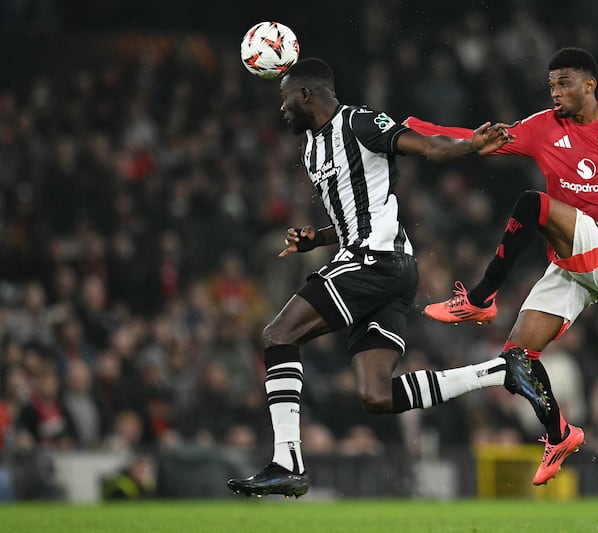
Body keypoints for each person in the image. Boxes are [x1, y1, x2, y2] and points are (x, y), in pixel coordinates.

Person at [226, 57, 551, 498]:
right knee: (375, 396)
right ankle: (500, 371)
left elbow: (428, 147)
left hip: (374, 260)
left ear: (305, 95)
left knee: (278, 335)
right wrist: (315, 238)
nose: (281, 109)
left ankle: (287, 460)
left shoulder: (359, 122)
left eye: (285, 99)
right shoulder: (310, 149)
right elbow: (353, 215)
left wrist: (472, 145)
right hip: (381, 267)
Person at [406, 47, 598, 485]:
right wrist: (412, 129)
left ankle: (479, 298)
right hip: (571, 264)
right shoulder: (542, 127)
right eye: (551, 84)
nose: (555, 92)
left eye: (565, 83)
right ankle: (559, 433)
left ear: (590, 85)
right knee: (518, 357)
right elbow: (478, 139)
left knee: (533, 203)